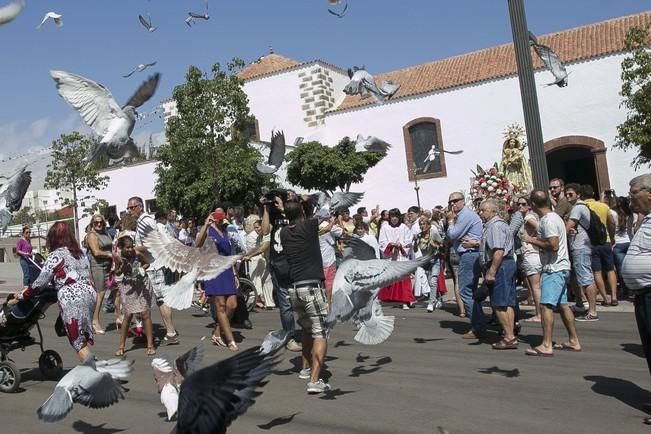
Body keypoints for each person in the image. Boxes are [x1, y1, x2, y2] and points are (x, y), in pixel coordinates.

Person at [17, 222, 96, 361]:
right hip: (89, 293)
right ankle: (93, 366)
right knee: (80, 334)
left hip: (72, 297)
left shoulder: (55, 255)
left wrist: (24, 294)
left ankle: (96, 371)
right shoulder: (79, 253)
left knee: (77, 341)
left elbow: (40, 283)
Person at [280, 200, 331, 394]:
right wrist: (306, 200)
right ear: (302, 211)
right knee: (320, 332)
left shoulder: (283, 232)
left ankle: (305, 368)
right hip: (311, 285)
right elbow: (325, 209)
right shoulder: (309, 226)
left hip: (294, 288)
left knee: (307, 330)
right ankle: (314, 381)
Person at [522, 190, 581, 356]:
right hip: (560, 267)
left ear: (533, 205)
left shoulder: (548, 220)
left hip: (554, 268)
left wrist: (531, 240)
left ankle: (546, 344)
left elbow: (553, 244)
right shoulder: (555, 218)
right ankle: (573, 340)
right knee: (562, 305)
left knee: (546, 305)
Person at [128, 196, 180, 345]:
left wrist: (133, 249)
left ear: (140, 207)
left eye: (132, 207)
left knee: (159, 299)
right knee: (158, 299)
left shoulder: (146, 222)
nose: (130, 211)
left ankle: (168, 332)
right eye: (129, 208)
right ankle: (167, 331)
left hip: (153, 265)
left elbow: (151, 244)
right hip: (152, 265)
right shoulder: (144, 222)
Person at [621, 174, 651, 425]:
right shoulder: (646, 220)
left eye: (634, 192)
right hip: (642, 294)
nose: (630, 196)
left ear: (649, 192)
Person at [261, 190, 301, 352]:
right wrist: (265, 208)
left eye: (278, 201)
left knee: (298, 301)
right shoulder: (273, 215)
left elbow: (300, 224)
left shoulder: (294, 211)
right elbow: (264, 231)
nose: (276, 204)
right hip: (278, 264)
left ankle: (303, 331)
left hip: (294, 264)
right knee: (285, 304)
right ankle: (289, 336)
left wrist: (284, 208)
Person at [196, 206, 240, 351]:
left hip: (226, 269)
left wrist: (234, 274)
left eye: (222, 213)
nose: (219, 216)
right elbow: (198, 244)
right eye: (216, 213)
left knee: (232, 305)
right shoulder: (208, 230)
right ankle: (230, 339)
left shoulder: (226, 230)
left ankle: (217, 332)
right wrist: (206, 224)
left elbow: (229, 253)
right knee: (220, 305)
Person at [478, 199, 518, 350]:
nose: (481, 213)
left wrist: (491, 271)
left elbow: (499, 250)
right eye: (480, 210)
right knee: (507, 302)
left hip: (501, 265)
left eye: (483, 210)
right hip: (505, 264)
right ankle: (509, 334)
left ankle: (509, 337)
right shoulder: (498, 225)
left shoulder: (495, 226)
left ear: (493, 211)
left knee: (499, 302)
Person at [446, 192, 484, 338]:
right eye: (450, 202)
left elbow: (452, 235)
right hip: (467, 254)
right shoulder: (462, 216)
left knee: (465, 291)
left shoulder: (465, 215)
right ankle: (479, 322)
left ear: (463, 201)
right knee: (471, 291)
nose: (452, 204)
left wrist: (450, 223)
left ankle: (477, 325)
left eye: (456, 201)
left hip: (469, 254)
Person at [114, 235, 155, 356]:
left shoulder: (137, 254)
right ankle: (121, 346)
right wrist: (121, 268)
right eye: (127, 247)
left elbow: (147, 263)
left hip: (142, 284)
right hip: (128, 286)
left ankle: (150, 345)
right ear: (121, 248)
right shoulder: (118, 257)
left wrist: (142, 269)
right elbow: (117, 272)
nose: (130, 249)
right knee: (128, 315)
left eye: (131, 246)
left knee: (145, 314)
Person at [565, 183, 600, 321]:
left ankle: (592, 312)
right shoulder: (580, 207)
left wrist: (567, 230)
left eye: (570, 194)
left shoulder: (578, 208)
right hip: (580, 246)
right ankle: (581, 305)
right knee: (583, 276)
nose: (567, 196)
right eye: (566, 194)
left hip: (580, 247)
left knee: (586, 278)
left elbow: (567, 227)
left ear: (578, 194)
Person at [583, 184, 618, 306]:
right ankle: (614, 296)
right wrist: (612, 236)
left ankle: (604, 298)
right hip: (606, 240)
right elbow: (612, 222)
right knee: (610, 269)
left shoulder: (582, 207)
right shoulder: (603, 206)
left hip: (591, 242)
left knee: (597, 271)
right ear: (593, 194)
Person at [378, 208, 416, 309]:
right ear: (389, 218)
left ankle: (405, 300)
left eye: (396, 216)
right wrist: (390, 244)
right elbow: (381, 241)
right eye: (392, 217)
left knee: (404, 279)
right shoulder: (385, 228)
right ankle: (391, 298)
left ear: (399, 217)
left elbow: (409, 241)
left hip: (401, 256)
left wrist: (401, 245)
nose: (394, 219)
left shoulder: (404, 227)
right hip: (391, 256)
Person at [86, 214, 113, 335]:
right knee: (100, 293)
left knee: (115, 290)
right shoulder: (92, 235)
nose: (99, 224)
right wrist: (109, 255)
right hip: (98, 266)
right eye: (96, 222)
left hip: (108, 266)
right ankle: (94, 321)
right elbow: (96, 252)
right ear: (92, 223)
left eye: (101, 222)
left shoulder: (105, 233)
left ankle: (119, 317)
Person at [516, 196, 542, 322]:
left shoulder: (528, 217)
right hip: (533, 254)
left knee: (535, 287)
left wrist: (532, 239)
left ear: (529, 205)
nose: (520, 206)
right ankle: (540, 312)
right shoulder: (530, 216)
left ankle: (539, 314)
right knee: (536, 286)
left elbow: (540, 229)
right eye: (518, 204)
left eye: (523, 204)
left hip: (532, 254)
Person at [242, 218, 274, 309]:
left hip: (273, 260)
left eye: (258, 227)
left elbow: (263, 248)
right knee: (266, 280)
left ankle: (269, 301)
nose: (256, 229)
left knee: (268, 281)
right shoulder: (259, 237)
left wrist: (250, 256)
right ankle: (269, 303)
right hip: (267, 260)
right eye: (255, 228)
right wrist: (246, 255)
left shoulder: (266, 234)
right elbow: (256, 248)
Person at [414, 217, 444, 312]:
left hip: (435, 260)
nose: (422, 226)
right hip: (426, 261)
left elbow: (442, 245)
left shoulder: (433, 233)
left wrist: (435, 245)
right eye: (420, 224)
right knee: (429, 282)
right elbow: (415, 250)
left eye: (424, 224)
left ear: (429, 225)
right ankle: (437, 298)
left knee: (433, 281)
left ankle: (431, 302)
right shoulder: (419, 236)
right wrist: (415, 241)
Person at [611, 196, 634, 299]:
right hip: (629, 242)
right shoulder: (631, 215)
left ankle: (625, 290)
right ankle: (632, 289)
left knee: (620, 270)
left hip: (618, 244)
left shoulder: (613, 214)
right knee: (630, 268)